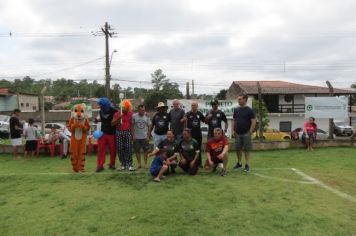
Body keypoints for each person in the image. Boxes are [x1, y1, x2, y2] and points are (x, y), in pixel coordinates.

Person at [232, 94, 256, 172]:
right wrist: (233, 130)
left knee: (246, 149)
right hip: (237, 133)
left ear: (245, 100)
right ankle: (239, 163)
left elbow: (253, 121)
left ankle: (247, 165)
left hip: (246, 133)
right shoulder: (236, 110)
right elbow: (234, 121)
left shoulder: (249, 110)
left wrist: (250, 131)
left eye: (240, 99)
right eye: (238, 99)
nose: (238, 101)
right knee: (238, 149)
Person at [95, 97, 118, 172]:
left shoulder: (114, 111)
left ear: (104, 105)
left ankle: (112, 164)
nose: (99, 106)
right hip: (103, 133)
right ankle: (100, 165)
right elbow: (103, 119)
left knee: (113, 150)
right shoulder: (101, 111)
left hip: (112, 133)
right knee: (101, 150)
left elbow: (120, 117)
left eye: (100, 104)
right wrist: (97, 120)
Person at [112, 100, 135, 171]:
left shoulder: (131, 114)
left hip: (128, 132)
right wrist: (119, 118)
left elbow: (132, 125)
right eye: (123, 108)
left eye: (126, 108)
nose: (125, 109)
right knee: (120, 149)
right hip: (119, 132)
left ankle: (129, 164)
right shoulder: (117, 114)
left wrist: (133, 135)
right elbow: (112, 124)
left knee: (128, 148)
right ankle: (123, 164)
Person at [184, 101, 205, 167]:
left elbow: (205, 121)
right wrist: (183, 119)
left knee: (198, 150)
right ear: (191, 106)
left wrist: (208, 117)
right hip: (190, 135)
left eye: (195, 105)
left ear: (197, 106)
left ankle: (199, 163)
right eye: (192, 105)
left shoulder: (199, 113)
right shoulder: (188, 114)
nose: (193, 106)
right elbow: (183, 120)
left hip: (198, 134)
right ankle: (190, 162)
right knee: (190, 149)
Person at [131, 105, 151, 169]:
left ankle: (145, 164)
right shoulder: (134, 116)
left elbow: (149, 126)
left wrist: (148, 136)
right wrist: (133, 135)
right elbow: (132, 126)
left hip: (145, 137)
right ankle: (139, 164)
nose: (143, 111)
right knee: (137, 151)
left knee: (146, 151)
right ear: (138, 110)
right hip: (137, 137)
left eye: (144, 110)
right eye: (141, 110)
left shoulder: (147, 116)